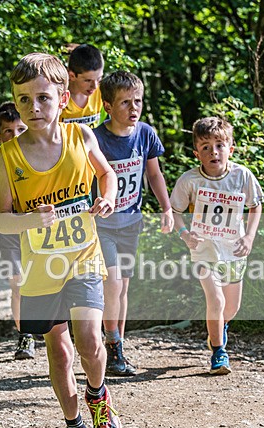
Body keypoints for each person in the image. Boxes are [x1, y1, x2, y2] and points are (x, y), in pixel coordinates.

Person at [0, 52, 121, 428]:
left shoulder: (81, 139)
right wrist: (29, 219)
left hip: (83, 257)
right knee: (61, 352)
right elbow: (1, 222)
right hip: (40, 269)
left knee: (89, 340)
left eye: (43, 99)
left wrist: (106, 197)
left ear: (63, 99)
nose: (34, 108)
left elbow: (108, 175)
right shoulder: (9, 156)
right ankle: (73, 427)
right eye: (24, 100)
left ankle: (99, 395)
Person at [92, 71, 173, 376]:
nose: (133, 107)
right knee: (112, 283)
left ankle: (117, 348)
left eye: (137, 101)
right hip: (102, 224)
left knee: (123, 287)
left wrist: (166, 208)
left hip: (131, 222)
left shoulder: (145, 134)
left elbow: (154, 175)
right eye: (125, 102)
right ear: (108, 106)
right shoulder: (96, 139)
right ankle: (109, 341)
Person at [170, 117, 263, 374]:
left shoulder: (242, 175)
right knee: (216, 299)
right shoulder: (189, 181)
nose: (214, 152)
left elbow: (256, 206)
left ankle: (217, 331)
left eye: (220, 145)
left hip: (234, 250)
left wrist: (249, 237)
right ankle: (219, 353)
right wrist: (185, 234)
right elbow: (174, 211)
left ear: (230, 149)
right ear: (196, 152)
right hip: (203, 250)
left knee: (231, 308)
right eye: (206, 147)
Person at [0, 101, 33, 360]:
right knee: (17, 284)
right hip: (8, 229)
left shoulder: (39, 151)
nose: (15, 136)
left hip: (36, 228)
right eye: (8, 131)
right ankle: (25, 335)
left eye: (20, 129)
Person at [60, 43, 105, 127]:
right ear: (72, 76)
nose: (94, 86)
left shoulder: (101, 92)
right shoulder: (58, 98)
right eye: (88, 80)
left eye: (99, 79)